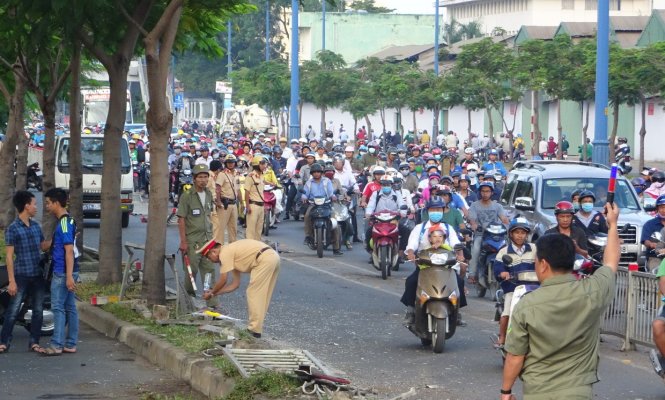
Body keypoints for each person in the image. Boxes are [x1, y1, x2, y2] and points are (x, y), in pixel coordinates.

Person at [501, 203, 620, 400]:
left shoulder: (526, 304)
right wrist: (613, 224)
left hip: (537, 391)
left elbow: (515, 356)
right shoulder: (593, 290)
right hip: (578, 391)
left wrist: (506, 392)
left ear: (544, 265)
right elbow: (611, 262)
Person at [401, 197, 466, 325]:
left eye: (438, 209)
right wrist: (410, 253)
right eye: (433, 209)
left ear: (442, 211)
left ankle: (457, 312)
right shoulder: (420, 228)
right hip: (425, 266)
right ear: (428, 211)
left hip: (446, 267)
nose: (436, 212)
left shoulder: (448, 228)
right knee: (411, 281)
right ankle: (411, 310)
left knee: (459, 282)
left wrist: (460, 254)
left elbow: (455, 244)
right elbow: (412, 244)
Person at [0, 191, 49, 354]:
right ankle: (4, 342)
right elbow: (9, 256)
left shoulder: (36, 226)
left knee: (38, 309)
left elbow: (43, 246)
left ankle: (34, 342)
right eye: (34, 204)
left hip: (37, 274)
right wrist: (12, 281)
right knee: (13, 311)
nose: (36, 207)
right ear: (26, 206)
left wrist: (60, 238)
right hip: (21, 274)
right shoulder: (13, 228)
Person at [199, 239, 280, 338]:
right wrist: (215, 293)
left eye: (208, 257)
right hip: (273, 257)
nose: (209, 260)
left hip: (263, 259)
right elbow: (235, 284)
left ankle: (254, 330)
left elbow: (223, 280)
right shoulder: (232, 254)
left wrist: (211, 293)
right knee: (263, 295)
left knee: (253, 292)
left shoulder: (224, 253)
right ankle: (257, 327)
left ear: (214, 252)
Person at [42, 188, 80, 356]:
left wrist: (69, 276)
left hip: (63, 271)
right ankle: (70, 343)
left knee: (58, 308)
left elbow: (69, 251)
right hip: (68, 271)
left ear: (57, 203)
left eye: (48, 203)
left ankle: (57, 344)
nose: (47, 206)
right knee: (70, 307)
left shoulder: (64, 223)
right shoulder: (68, 221)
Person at [492, 217, 536, 348]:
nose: (520, 235)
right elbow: (498, 269)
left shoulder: (534, 249)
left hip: (534, 288)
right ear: (511, 234)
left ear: (527, 234)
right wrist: (502, 273)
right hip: (513, 288)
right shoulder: (504, 251)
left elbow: (543, 264)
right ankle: (502, 337)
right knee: (507, 311)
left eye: (523, 233)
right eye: (517, 232)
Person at [177, 164, 217, 306]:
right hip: (193, 241)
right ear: (194, 179)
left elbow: (208, 216)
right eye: (200, 177)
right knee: (191, 271)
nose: (203, 180)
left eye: (205, 177)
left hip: (207, 240)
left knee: (209, 271)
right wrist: (183, 242)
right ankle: (189, 299)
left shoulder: (208, 194)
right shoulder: (187, 196)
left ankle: (211, 301)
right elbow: (181, 219)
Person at [468, 182, 509, 285]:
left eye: (487, 191)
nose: (485, 193)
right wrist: (474, 225)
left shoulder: (497, 206)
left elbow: (504, 219)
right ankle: (472, 274)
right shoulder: (474, 205)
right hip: (481, 235)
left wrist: (508, 226)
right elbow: (472, 220)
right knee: (476, 249)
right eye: (483, 191)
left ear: (492, 193)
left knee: (506, 249)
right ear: (479, 192)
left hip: (495, 235)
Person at [301, 163, 341, 255]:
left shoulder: (327, 181)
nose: (316, 174)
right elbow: (305, 193)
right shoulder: (309, 183)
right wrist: (303, 197)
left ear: (321, 173)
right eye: (314, 172)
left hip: (326, 204)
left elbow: (331, 193)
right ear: (311, 173)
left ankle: (336, 247)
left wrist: (333, 196)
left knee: (334, 222)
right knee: (307, 216)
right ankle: (308, 236)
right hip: (313, 204)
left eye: (318, 172)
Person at [364, 176, 409, 255]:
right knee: (368, 232)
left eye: (388, 184)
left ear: (391, 185)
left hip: (393, 220)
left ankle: (401, 252)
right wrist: (368, 213)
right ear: (381, 185)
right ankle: (371, 251)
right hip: (378, 220)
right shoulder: (376, 193)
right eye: (384, 184)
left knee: (406, 231)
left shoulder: (397, 194)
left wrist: (403, 212)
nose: (386, 186)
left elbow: (402, 204)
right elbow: (371, 205)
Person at [216, 155, 240, 244]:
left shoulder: (236, 174)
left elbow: (238, 189)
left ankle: (232, 249)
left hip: (234, 204)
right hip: (224, 204)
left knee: (233, 228)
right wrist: (218, 201)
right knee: (221, 228)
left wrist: (241, 203)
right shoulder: (222, 174)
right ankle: (219, 248)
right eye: (229, 162)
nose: (230, 164)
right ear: (226, 163)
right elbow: (218, 188)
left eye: (232, 162)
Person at [244, 156, 267, 241]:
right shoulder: (250, 176)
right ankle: (249, 248)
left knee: (259, 230)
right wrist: (247, 206)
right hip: (253, 205)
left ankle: (257, 248)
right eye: (262, 164)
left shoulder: (261, 176)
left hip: (261, 205)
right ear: (257, 165)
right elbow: (247, 192)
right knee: (251, 230)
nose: (264, 166)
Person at [641, 195, 665, 271]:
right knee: (656, 272)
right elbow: (645, 241)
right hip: (655, 257)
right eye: (661, 207)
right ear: (657, 209)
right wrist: (652, 244)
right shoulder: (649, 224)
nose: (664, 210)